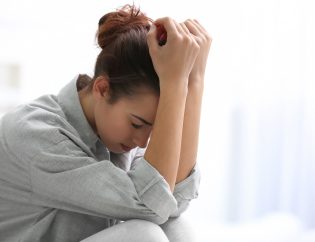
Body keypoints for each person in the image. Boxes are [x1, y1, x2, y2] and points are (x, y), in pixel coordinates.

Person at [0, 4, 211, 242]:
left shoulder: (116, 132)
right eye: (138, 124)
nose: (142, 141)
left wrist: (194, 83)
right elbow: (153, 205)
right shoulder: (36, 135)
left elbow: (172, 204)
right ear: (102, 89)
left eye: (153, 128)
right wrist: (175, 82)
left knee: (175, 227)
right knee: (143, 235)